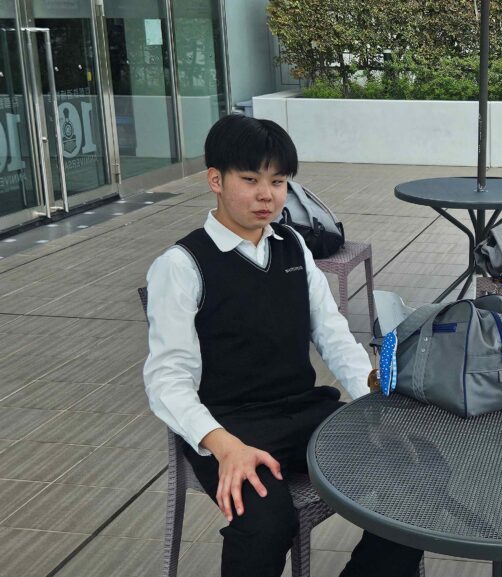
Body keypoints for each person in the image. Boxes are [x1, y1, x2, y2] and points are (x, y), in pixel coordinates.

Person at [143, 114, 423, 577]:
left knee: (420, 469)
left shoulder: (291, 245)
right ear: (215, 180)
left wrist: (373, 398)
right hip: (230, 426)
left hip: (304, 412)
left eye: (278, 181)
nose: (267, 195)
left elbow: (332, 333)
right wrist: (224, 445)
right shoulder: (181, 265)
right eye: (250, 179)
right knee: (266, 524)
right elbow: (166, 379)